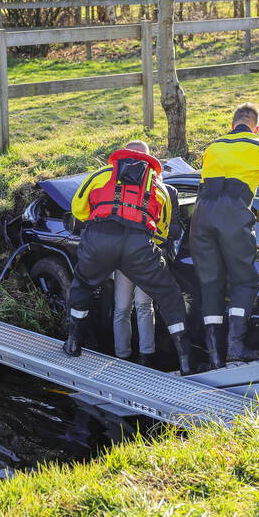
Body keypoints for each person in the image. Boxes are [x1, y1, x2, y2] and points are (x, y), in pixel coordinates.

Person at [63, 141, 194, 375]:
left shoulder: (101, 175)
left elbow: (78, 209)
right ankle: (185, 360)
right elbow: (162, 230)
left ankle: (73, 343)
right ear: (148, 159)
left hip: (101, 238)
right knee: (169, 296)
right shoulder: (158, 186)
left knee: (82, 285)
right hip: (139, 246)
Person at [190, 102, 259, 369]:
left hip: (202, 217)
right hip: (233, 216)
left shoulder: (213, 147)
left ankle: (214, 354)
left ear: (232, 125)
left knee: (210, 284)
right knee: (243, 281)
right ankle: (235, 346)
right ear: (256, 127)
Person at [111, 141, 180, 366]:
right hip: (126, 257)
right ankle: (123, 355)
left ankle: (145, 356)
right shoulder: (117, 188)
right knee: (124, 307)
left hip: (148, 255)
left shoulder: (166, 190)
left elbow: (176, 229)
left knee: (139, 306)